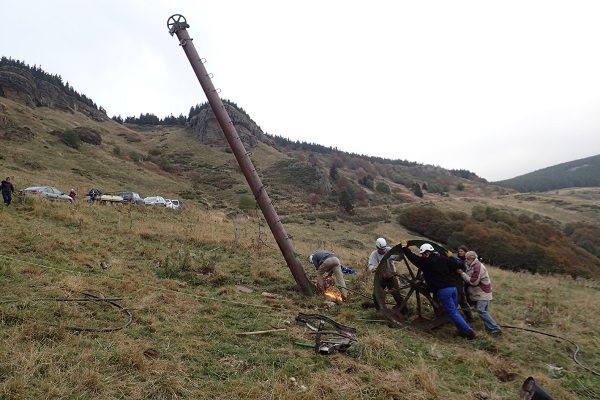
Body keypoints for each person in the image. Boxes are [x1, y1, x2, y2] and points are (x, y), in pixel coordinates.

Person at [401, 241, 476, 339]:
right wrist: (451, 257)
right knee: (454, 312)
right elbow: (459, 265)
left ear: (427, 253)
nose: (423, 256)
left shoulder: (426, 262)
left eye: (423, 254)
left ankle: (469, 332)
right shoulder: (444, 259)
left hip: (444, 291)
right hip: (454, 289)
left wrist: (405, 248)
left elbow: (413, 258)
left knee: (452, 313)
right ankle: (462, 331)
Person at [457, 250, 502, 335]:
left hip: (483, 293)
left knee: (481, 310)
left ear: (472, 259)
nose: (466, 260)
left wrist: (462, 274)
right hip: (483, 292)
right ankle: (489, 328)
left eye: (467, 259)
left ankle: (495, 328)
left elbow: (473, 282)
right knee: (484, 310)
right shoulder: (472, 265)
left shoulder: (477, 267)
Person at [368, 237, 406, 311]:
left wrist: (402, 250)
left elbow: (399, 258)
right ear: (377, 247)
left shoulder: (389, 250)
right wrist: (375, 267)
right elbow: (371, 266)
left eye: (384, 248)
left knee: (397, 294)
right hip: (381, 278)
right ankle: (379, 310)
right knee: (376, 294)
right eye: (381, 249)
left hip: (391, 277)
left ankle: (404, 311)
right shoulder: (374, 255)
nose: (383, 250)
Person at [455, 245, 475, 322]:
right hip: (456, 281)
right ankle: (469, 317)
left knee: (461, 299)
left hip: (462, 281)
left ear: (465, 252)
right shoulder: (457, 259)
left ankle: (469, 317)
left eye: (462, 251)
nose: (460, 253)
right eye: (459, 251)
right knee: (462, 300)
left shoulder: (466, 261)